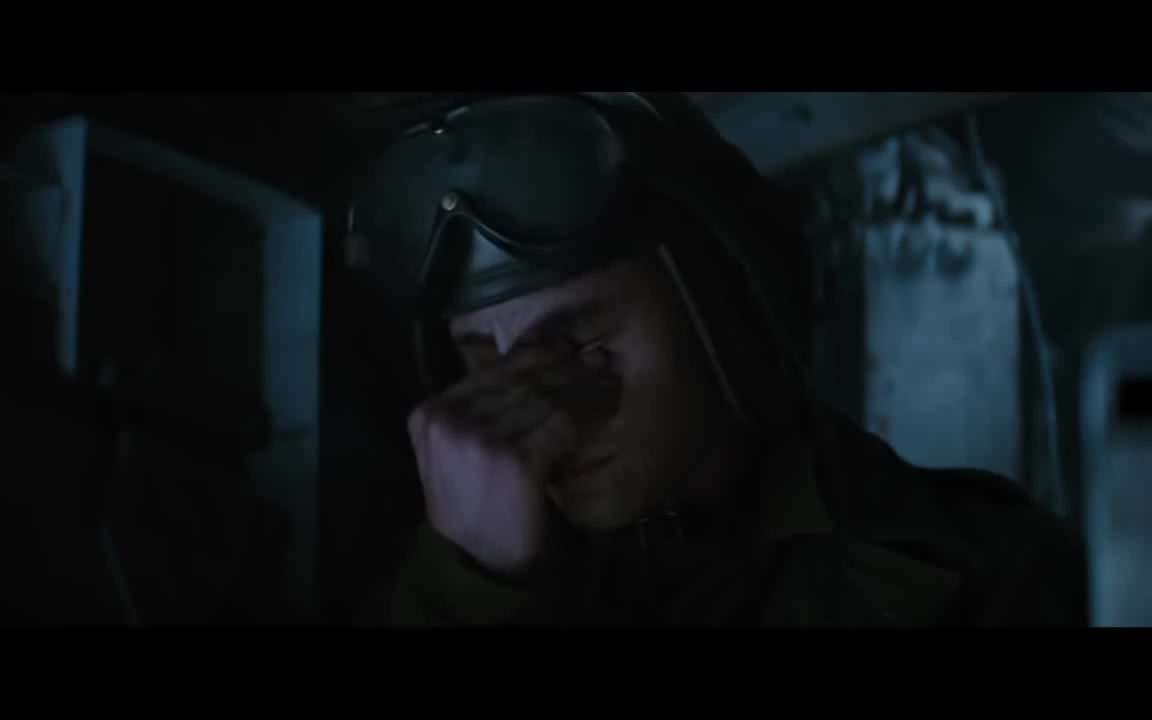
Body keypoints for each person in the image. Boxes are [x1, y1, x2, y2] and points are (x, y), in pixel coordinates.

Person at [352, 92, 1088, 626]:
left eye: (582, 342)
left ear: (728, 312)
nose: (538, 405)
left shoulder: (993, 573)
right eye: (482, 357)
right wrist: (473, 590)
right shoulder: (431, 584)